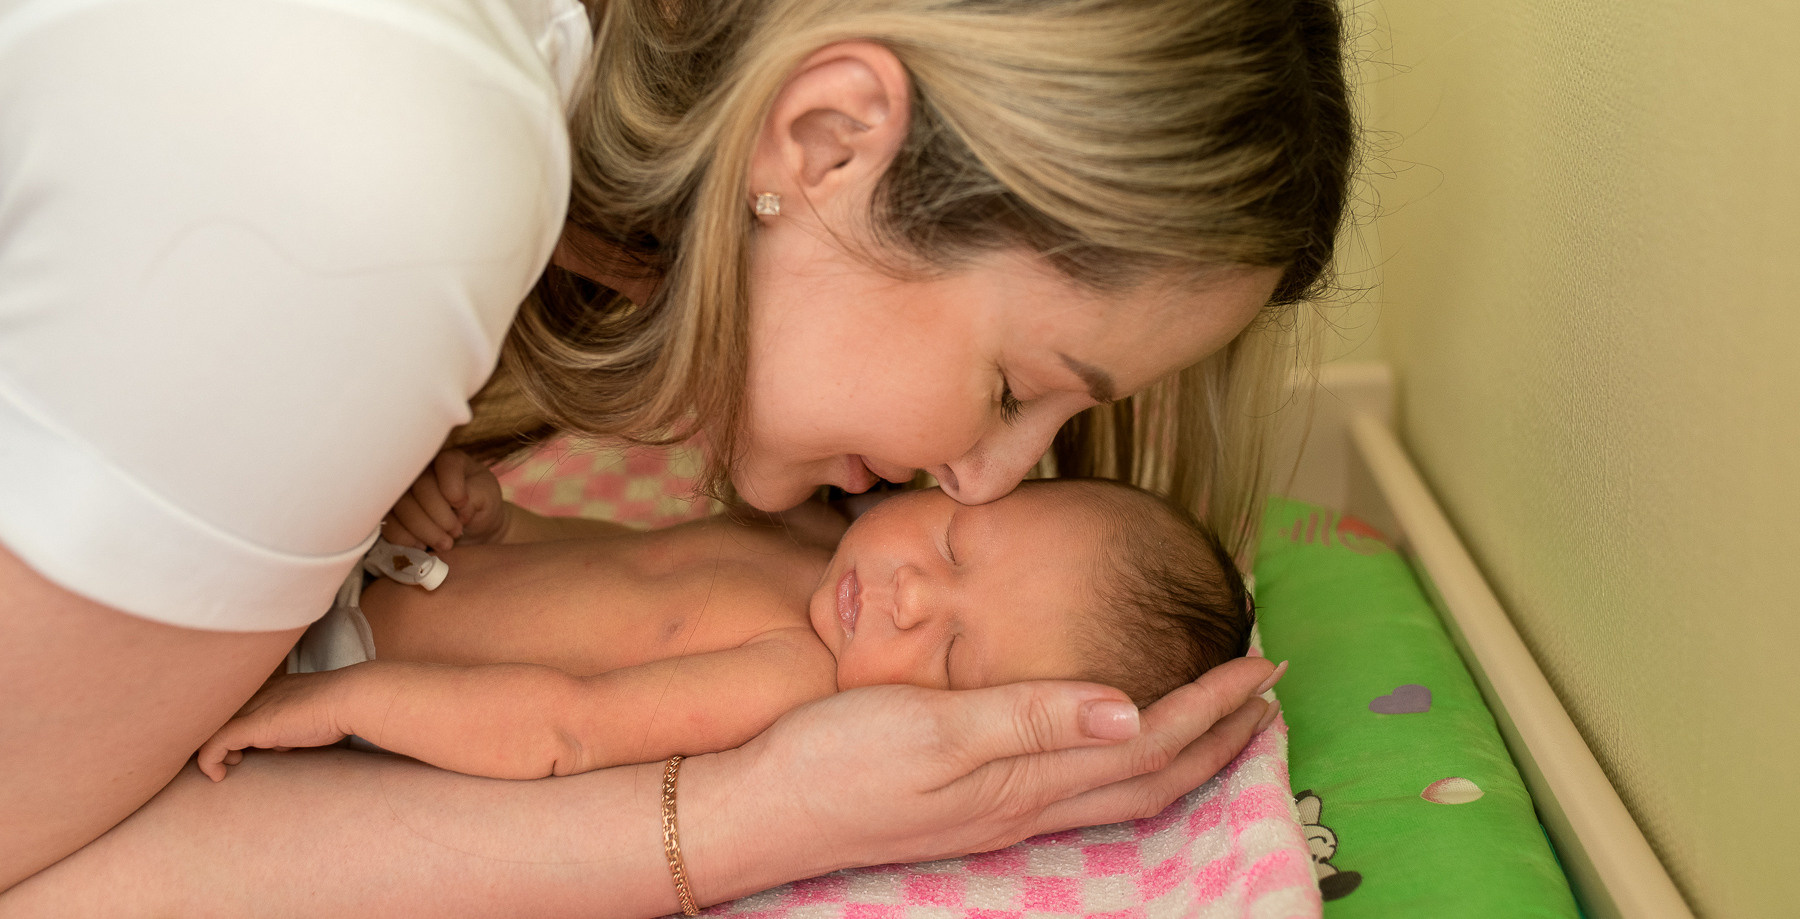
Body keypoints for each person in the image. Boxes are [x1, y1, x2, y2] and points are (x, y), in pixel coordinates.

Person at [0, 0, 1352, 911]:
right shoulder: (385, 179)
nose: (984, 475)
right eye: (1014, 384)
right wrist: (758, 815)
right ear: (831, 142)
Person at [193, 457, 1261, 781]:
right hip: (375, 562)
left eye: (950, 647)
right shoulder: (807, 543)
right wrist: (503, 526)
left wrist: (342, 700)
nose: (910, 594)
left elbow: (566, 724)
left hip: (341, 656)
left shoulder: (788, 676)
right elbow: (622, 573)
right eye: (955, 548)